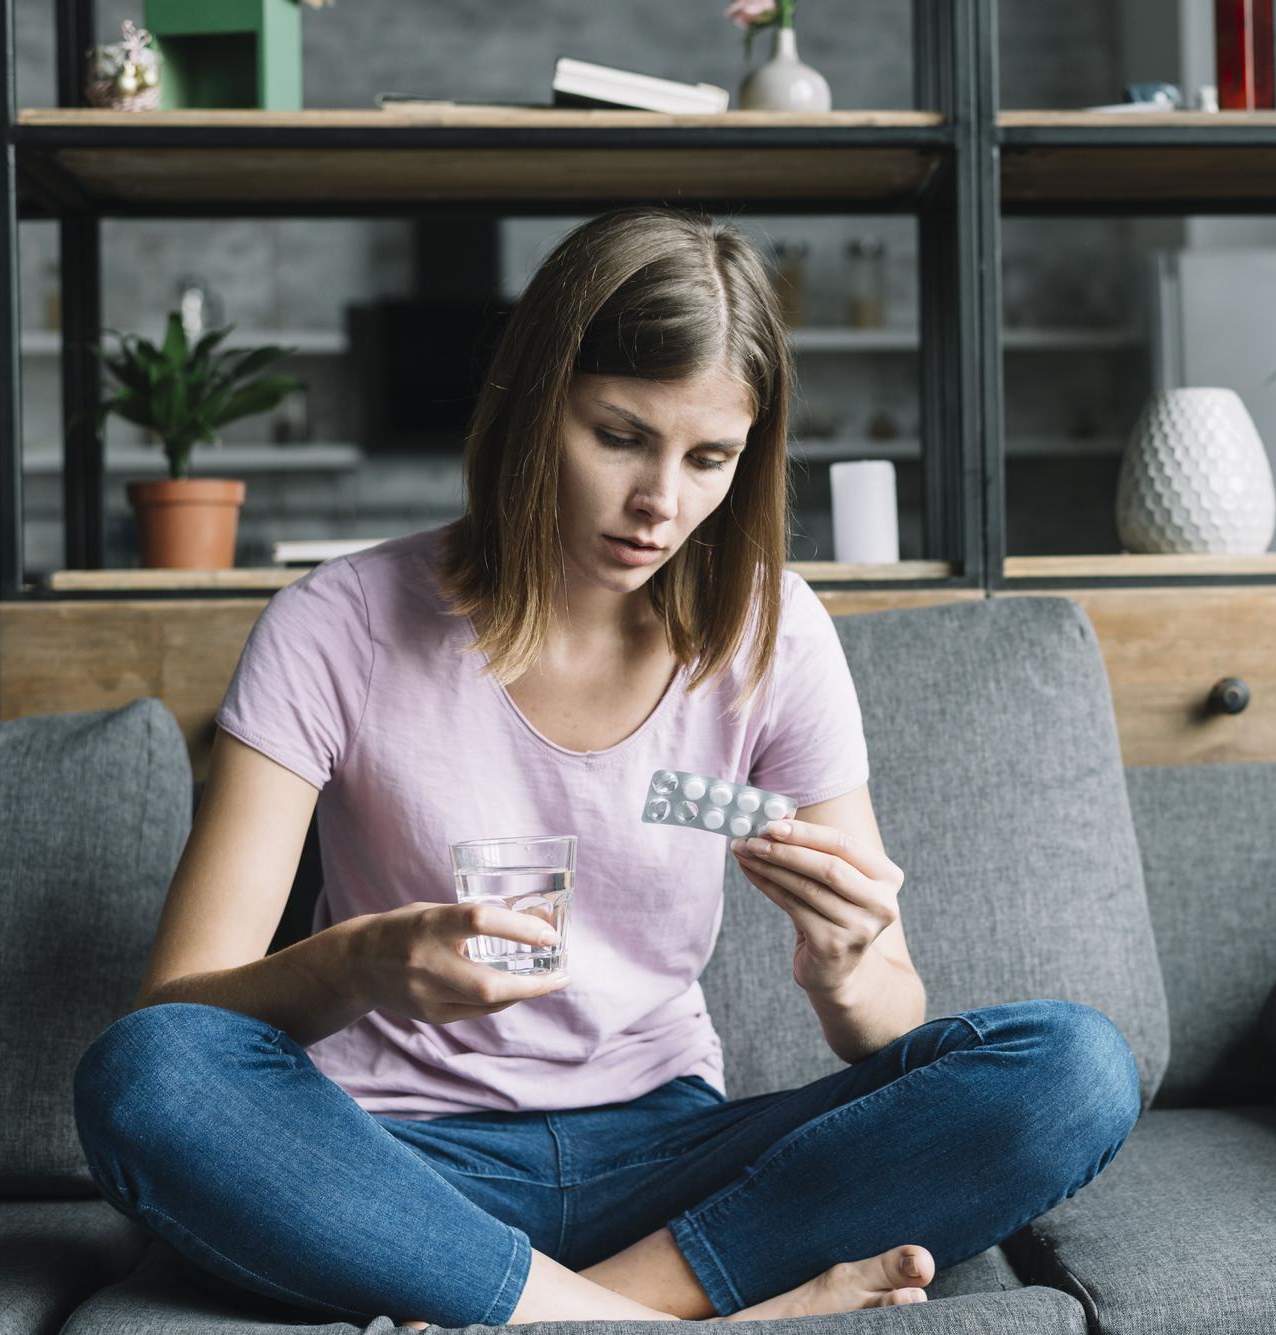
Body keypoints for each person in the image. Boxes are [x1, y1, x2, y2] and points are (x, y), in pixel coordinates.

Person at [71, 207, 1141, 1327]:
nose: (660, 504)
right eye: (621, 436)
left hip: (672, 1160)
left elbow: (885, 1023)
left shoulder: (772, 634)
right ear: (532, 405)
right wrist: (360, 965)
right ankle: (673, 1315)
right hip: (398, 1171)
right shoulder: (332, 625)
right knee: (145, 1074)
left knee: (1074, 1069)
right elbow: (179, 1010)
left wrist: (846, 967)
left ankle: (560, 1313)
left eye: (709, 458)